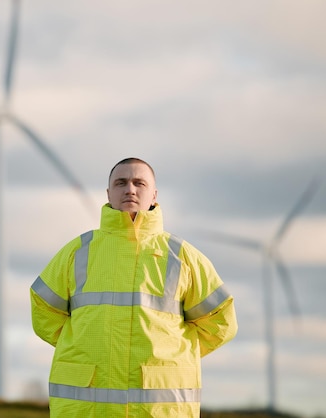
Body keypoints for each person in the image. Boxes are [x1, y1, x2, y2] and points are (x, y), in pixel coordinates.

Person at [30, 157, 238, 417]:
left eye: (139, 183)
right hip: (86, 409)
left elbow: (221, 321)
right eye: (121, 182)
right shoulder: (77, 252)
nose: (130, 189)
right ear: (108, 193)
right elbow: (43, 309)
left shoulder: (182, 256)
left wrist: (175, 352)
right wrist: (80, 343)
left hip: (158, 410)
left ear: (154, 195)